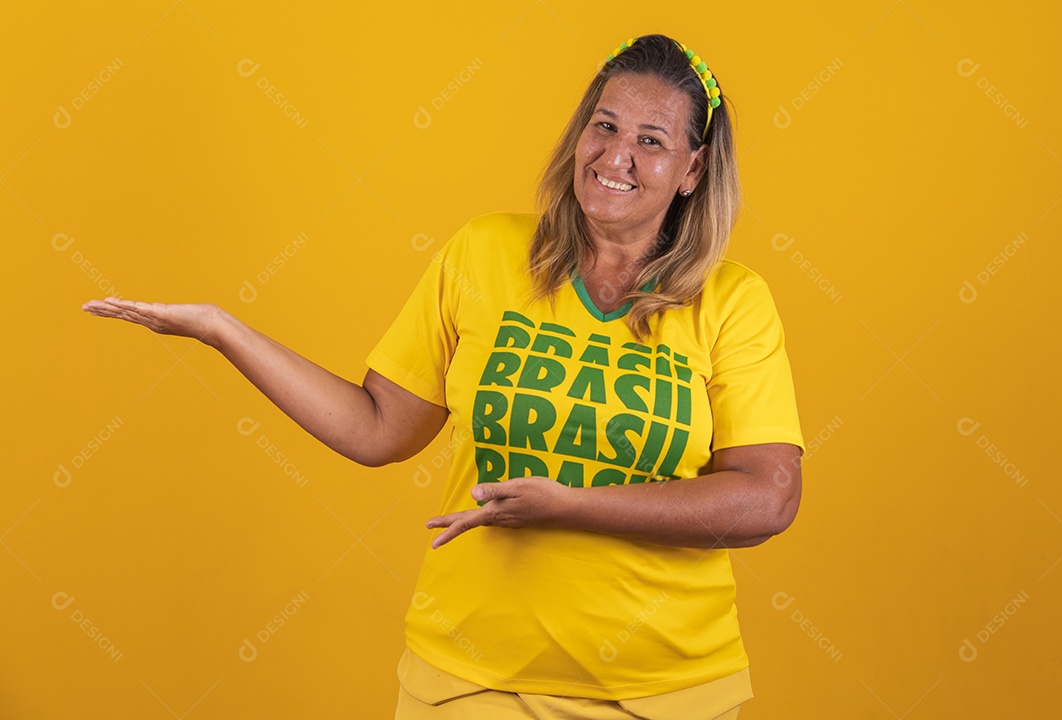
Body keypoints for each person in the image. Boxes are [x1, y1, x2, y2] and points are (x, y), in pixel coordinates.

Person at [83, 33, 804, 720]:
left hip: (668, 692)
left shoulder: (731, 301)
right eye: (604, 126)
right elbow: (376, 429)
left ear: (693, 170)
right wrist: (221, 329)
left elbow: (767, 498)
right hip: (469, 681)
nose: (616, 155)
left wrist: (571, 506)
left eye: (651, 141)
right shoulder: (483, 253)